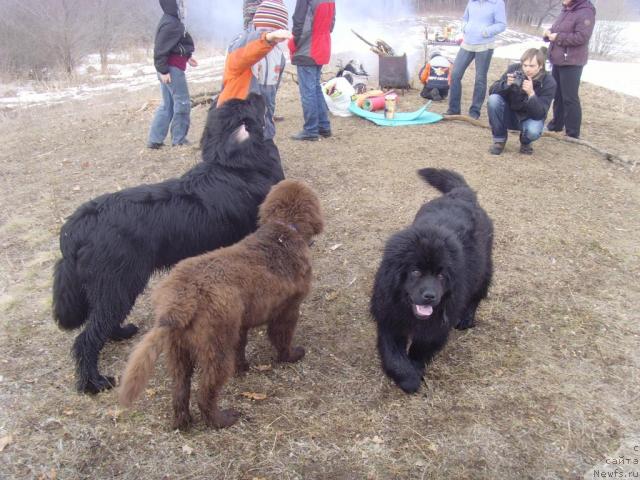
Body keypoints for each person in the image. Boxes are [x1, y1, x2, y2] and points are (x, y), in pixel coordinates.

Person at [217, 0, 291, 162]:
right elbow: (244, 55)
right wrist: (267, 38)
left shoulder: (278, 56)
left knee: (274, 172)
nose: (271, 33)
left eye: (276, 30)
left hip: (262, 129)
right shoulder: (242, 43)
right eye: (267, 29)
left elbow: (270, 97)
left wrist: (268, 127)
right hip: (235, 124)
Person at [486, 47, 557, 155]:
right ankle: (499, 140)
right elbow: (492, 91)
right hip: (510, 112)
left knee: (533, 131)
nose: (527, 69)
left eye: (532, 66)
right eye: (525, 65)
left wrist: (531, 94)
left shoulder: (548, 82)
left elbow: (540, 113)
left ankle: (525, 141)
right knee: (493, 99)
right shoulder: (514, 70)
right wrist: (505, 84)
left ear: (541, 66)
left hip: (530, 117)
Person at [148, 0, 197, 149]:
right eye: (181, 4)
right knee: (182, 103)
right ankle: (179, 140)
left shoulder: (174, 21)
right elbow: (160, 50)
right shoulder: (171, 23)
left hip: (171, 67)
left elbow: (177, 44)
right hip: (171, 70)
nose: (184, 7)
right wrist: (163, 71)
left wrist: (187, 57)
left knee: (168, 104)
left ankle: (155, 140)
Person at [544, 0, 596, 139]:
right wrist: (548, 33)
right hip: (558, 58)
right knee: (558, 94)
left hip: (572, 61)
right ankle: (556, 124)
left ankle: (572, 132)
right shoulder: (566, 9)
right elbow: (559, 29)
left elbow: (582, 37)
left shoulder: (586, 11)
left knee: (569, 97)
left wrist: (558, 37)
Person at [446, 0, 506, 119]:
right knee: (455, 74)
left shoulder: (497, 3)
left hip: (485, 45)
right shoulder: (472, 2)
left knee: (480, 79)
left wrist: (486, 31)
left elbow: (501, 24)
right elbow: (465, 18)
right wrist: (465, 27)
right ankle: (453, 109)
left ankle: (474, 111)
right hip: (467, 43)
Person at [289, 0, 336, 141]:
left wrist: (294, 43)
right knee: (315, 88)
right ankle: (324, 127)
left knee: (308, 92)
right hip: (322, 46)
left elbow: (299, 22)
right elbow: (332, 24)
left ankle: (310, 130)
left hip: (308, 48)